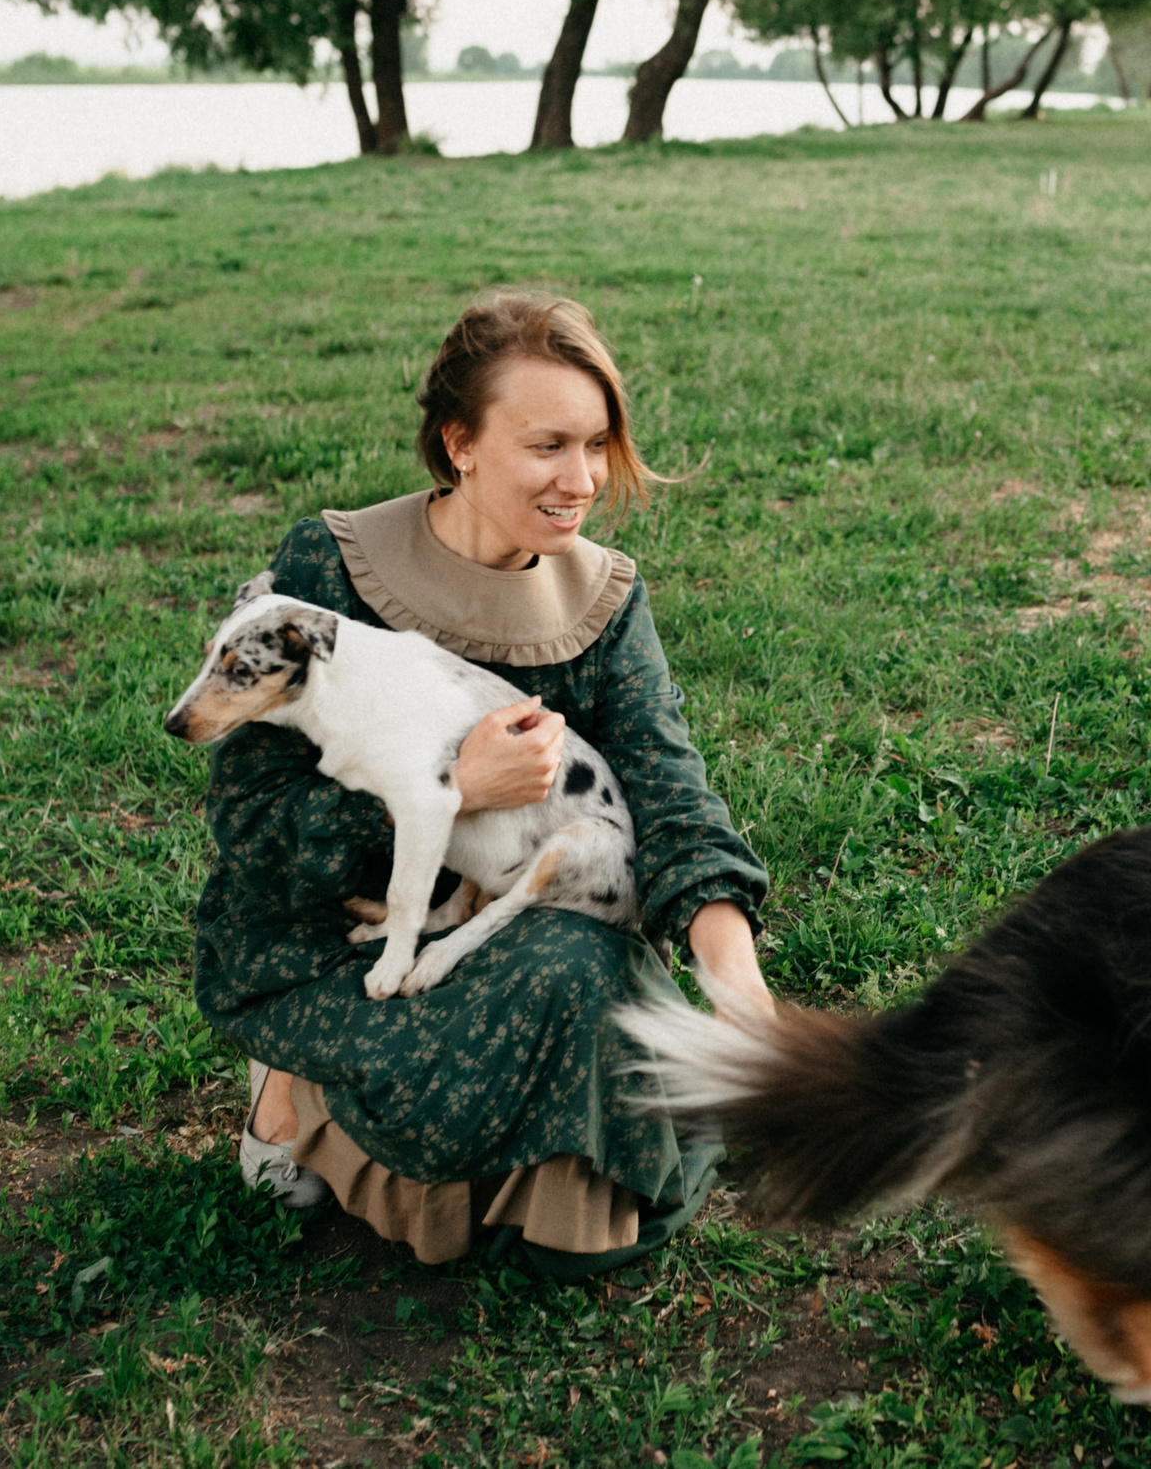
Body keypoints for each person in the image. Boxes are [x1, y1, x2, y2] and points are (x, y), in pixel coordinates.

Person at [191, 291, 772, 1279]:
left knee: (595, 980)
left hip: (490, 920)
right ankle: (298, 1092)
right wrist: (454, 782)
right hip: (328, 941)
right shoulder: (327, 569)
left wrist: (738, 982)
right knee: (570, 997)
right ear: (459, 444)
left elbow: (673, 795)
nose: (582, 478)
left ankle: (519, 1191)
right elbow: (252, 824)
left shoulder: (602, 597)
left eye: (597, 444)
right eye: (547, 444)